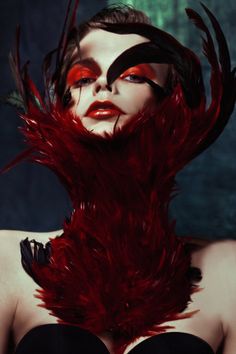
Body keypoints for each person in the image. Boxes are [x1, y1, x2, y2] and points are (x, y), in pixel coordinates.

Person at [0, 2, 236, 354]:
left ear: (171, 104)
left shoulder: (229, 269)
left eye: (133, 74)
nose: (103, 86)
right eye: (82, 78)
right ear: (65, 108)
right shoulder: (4, 260)